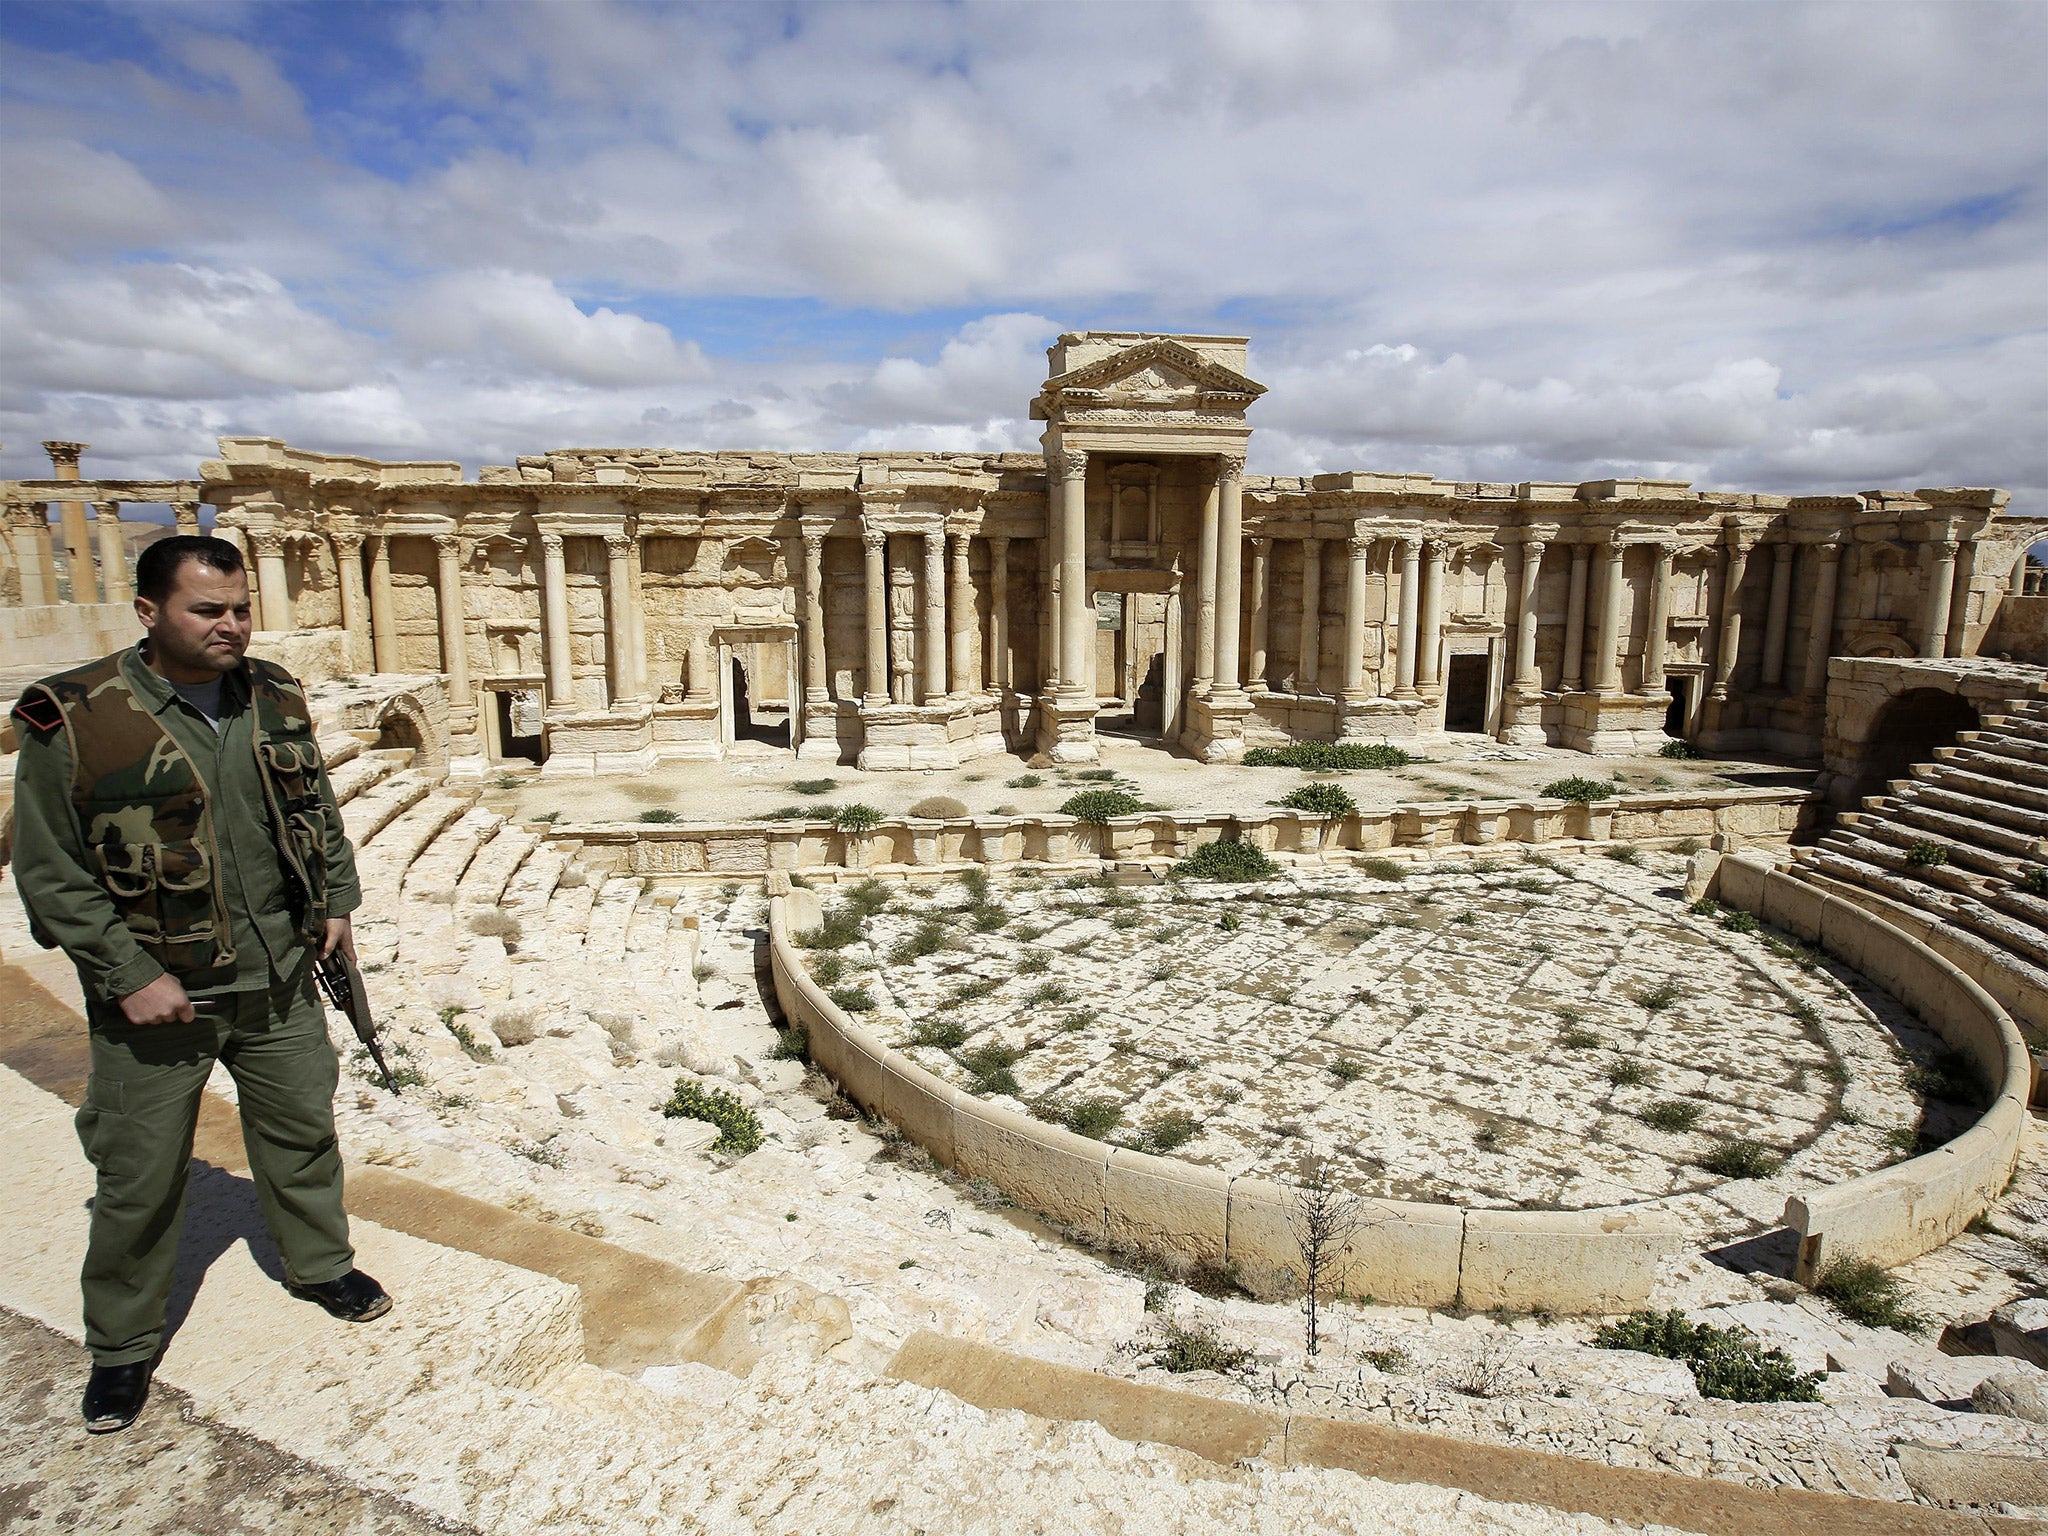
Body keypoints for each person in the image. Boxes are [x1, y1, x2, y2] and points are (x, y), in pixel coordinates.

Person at [9, 533, 391, 1435]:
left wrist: (336, 899)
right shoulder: (76, 715)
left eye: (240, 609)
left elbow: (315, 811)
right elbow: (49, 871)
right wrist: (126, 973)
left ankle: (318, 1264)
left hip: (279, 975)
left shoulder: (273, 693)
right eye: (206, 610)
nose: (230, 626)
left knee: (301, 1132)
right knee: (139, 1173)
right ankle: (123, 1346)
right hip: (162, 992)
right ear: (149, 612)